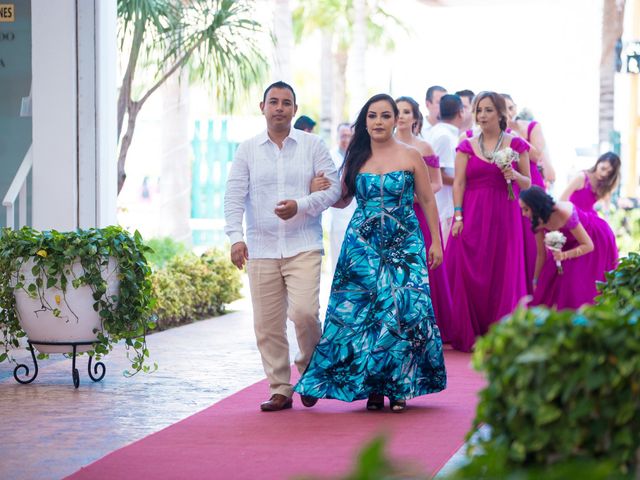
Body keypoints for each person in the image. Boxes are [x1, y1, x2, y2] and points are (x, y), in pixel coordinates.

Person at [294, 93, 446, 412]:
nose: (378, 122)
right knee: (360, 315)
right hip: (362, 247)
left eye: (385, 116)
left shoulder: (411, 155)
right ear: (366, 121)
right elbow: (343, 199)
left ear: (396, 120)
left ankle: (399, 385)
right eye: (373, 116)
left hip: (404, 244)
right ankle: (373, 389)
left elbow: (428, 200)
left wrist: (436, 241)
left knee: (402, 312)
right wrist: (317, 190)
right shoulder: (356, 156)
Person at [224, 81, 341, 412]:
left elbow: (333, 190)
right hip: (261, 248)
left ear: (295, 110)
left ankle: (309, 373)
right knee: (267, 324)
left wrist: (301, 204)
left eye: (286, 103)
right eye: (273, 102)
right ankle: (280, 387)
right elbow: (233, 195)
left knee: (304, 314)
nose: (279, 108)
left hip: (303, 244)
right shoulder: (246, 149)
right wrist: (236, 237)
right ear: (262, 107)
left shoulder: (313, 145)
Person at [445, 91, 531, 352]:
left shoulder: (516, 145)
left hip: (505, 215)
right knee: (471, 267)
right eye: (479, 110)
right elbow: (458, 182)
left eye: (488, 110)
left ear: (500, 114)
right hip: (472, 213)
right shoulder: (466, 145)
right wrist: (458, 215)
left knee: (503, 269)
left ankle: (501, 333)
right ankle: (470, 331)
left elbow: (528, 183)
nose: (482, 115)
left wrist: (513, 173)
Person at [395, 95, 453, 343]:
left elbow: (437, 183)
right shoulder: (384, 146)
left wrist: (418, 195)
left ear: (415, 117)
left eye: (406, 112)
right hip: (393, 214)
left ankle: (429, 324)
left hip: (419, 212)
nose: (400, 116)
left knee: (424, 266)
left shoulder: (424, 147)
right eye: (396, 111)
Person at [520, 186, 618, 309]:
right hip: (568, 245)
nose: (523, 214)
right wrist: (536, 280)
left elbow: (588, 245)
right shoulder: (535, 220)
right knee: (548, 282)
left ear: (536, 205)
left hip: (593, 239)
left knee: (573, 282)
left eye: (526, 209)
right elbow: (541, 253)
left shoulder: (563, 212)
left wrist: (564, 255)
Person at [430, 94, 465, 245]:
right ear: (460, 112)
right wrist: (466, 184)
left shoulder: (438, 132)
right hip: (445, 206)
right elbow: (440, 175)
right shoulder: (445, 137)